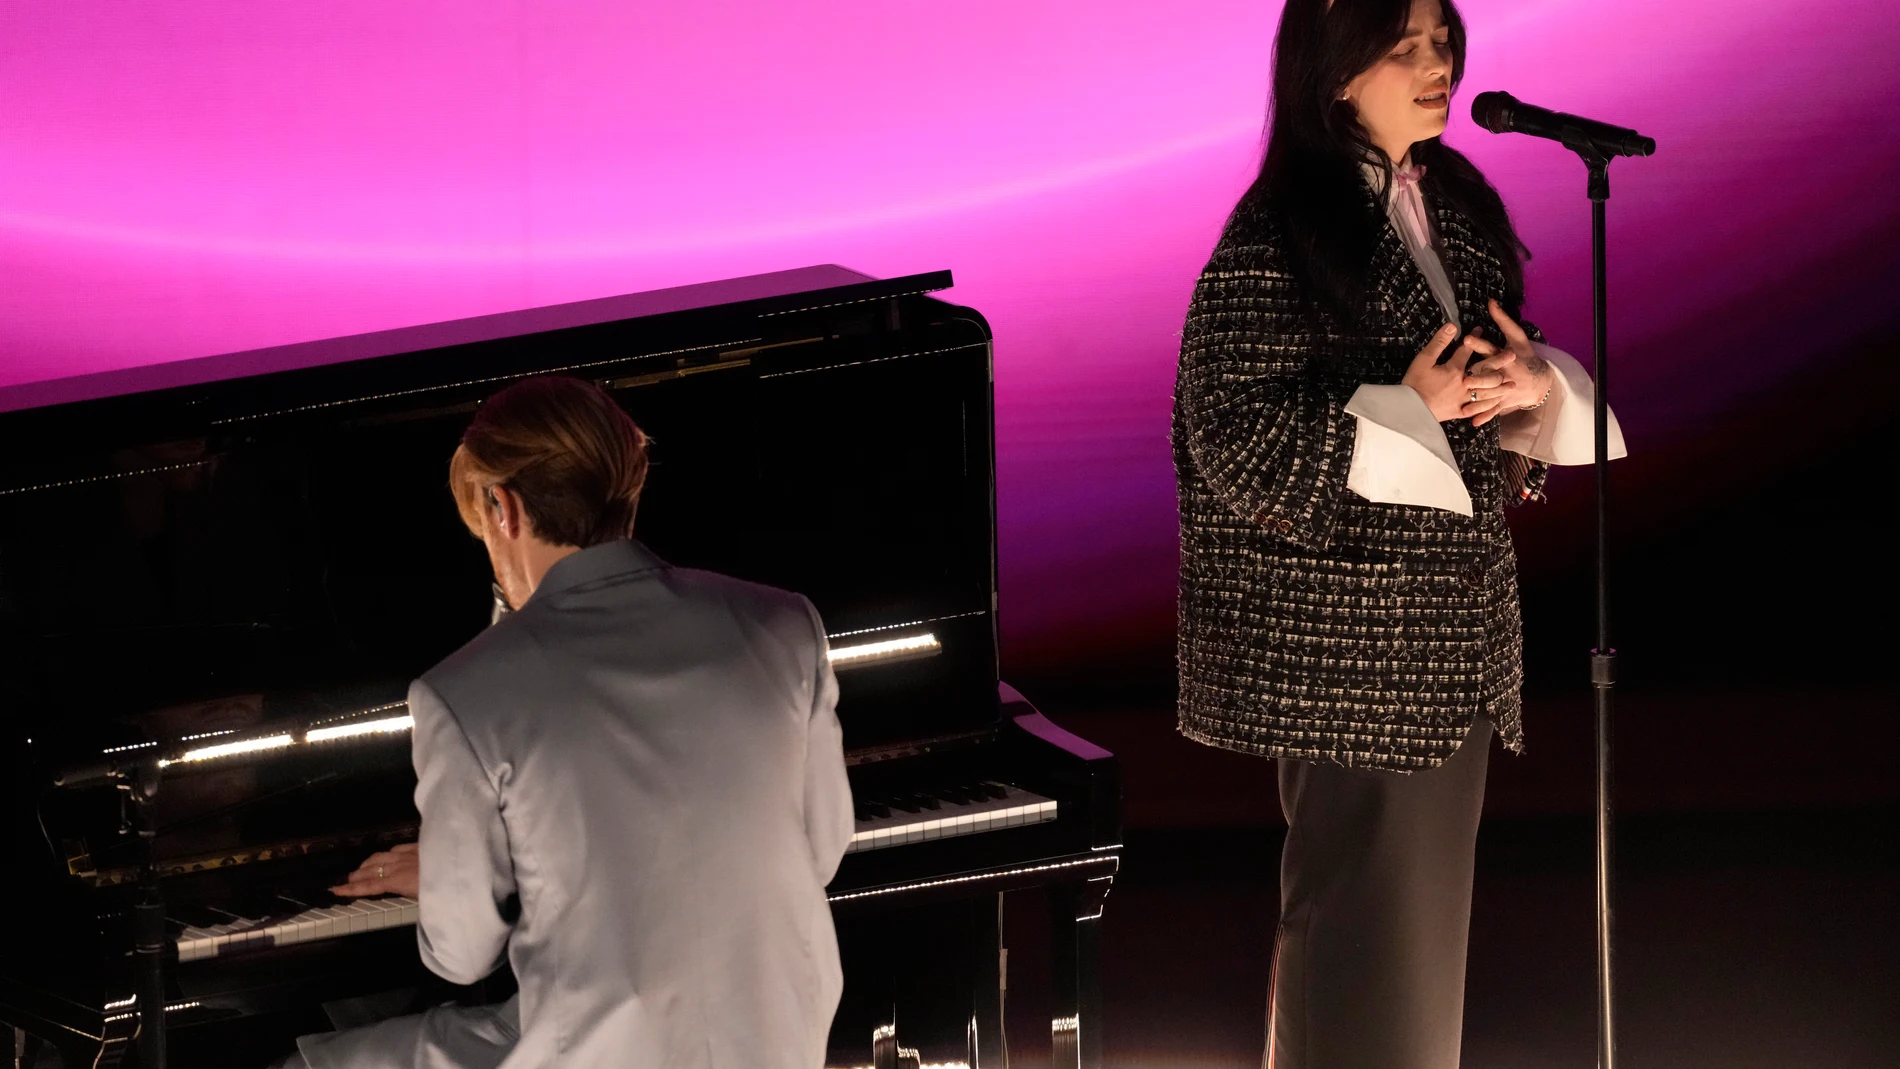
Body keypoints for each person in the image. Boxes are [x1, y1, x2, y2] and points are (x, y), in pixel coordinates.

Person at [1170, 0, 1625, 1066]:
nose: (1438, 64)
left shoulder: (1454, 202)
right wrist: (1406, 411)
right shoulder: (1279, 229)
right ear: (1334, 69)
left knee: (1412, 961)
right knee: (1359, 952)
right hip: (1352, 660)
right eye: (1404, 42)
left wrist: (1527, 383)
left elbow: (1491, 378)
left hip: (1448, 644)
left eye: (1442, 37)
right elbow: (1227, 428)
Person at [279, 375, 854, 1069]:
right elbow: (821, 852)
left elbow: (460, 959)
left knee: (307, 1060)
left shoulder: (460, 691)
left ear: (503, 508)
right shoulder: (785, 622)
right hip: (777, 1042)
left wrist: (452, 874)